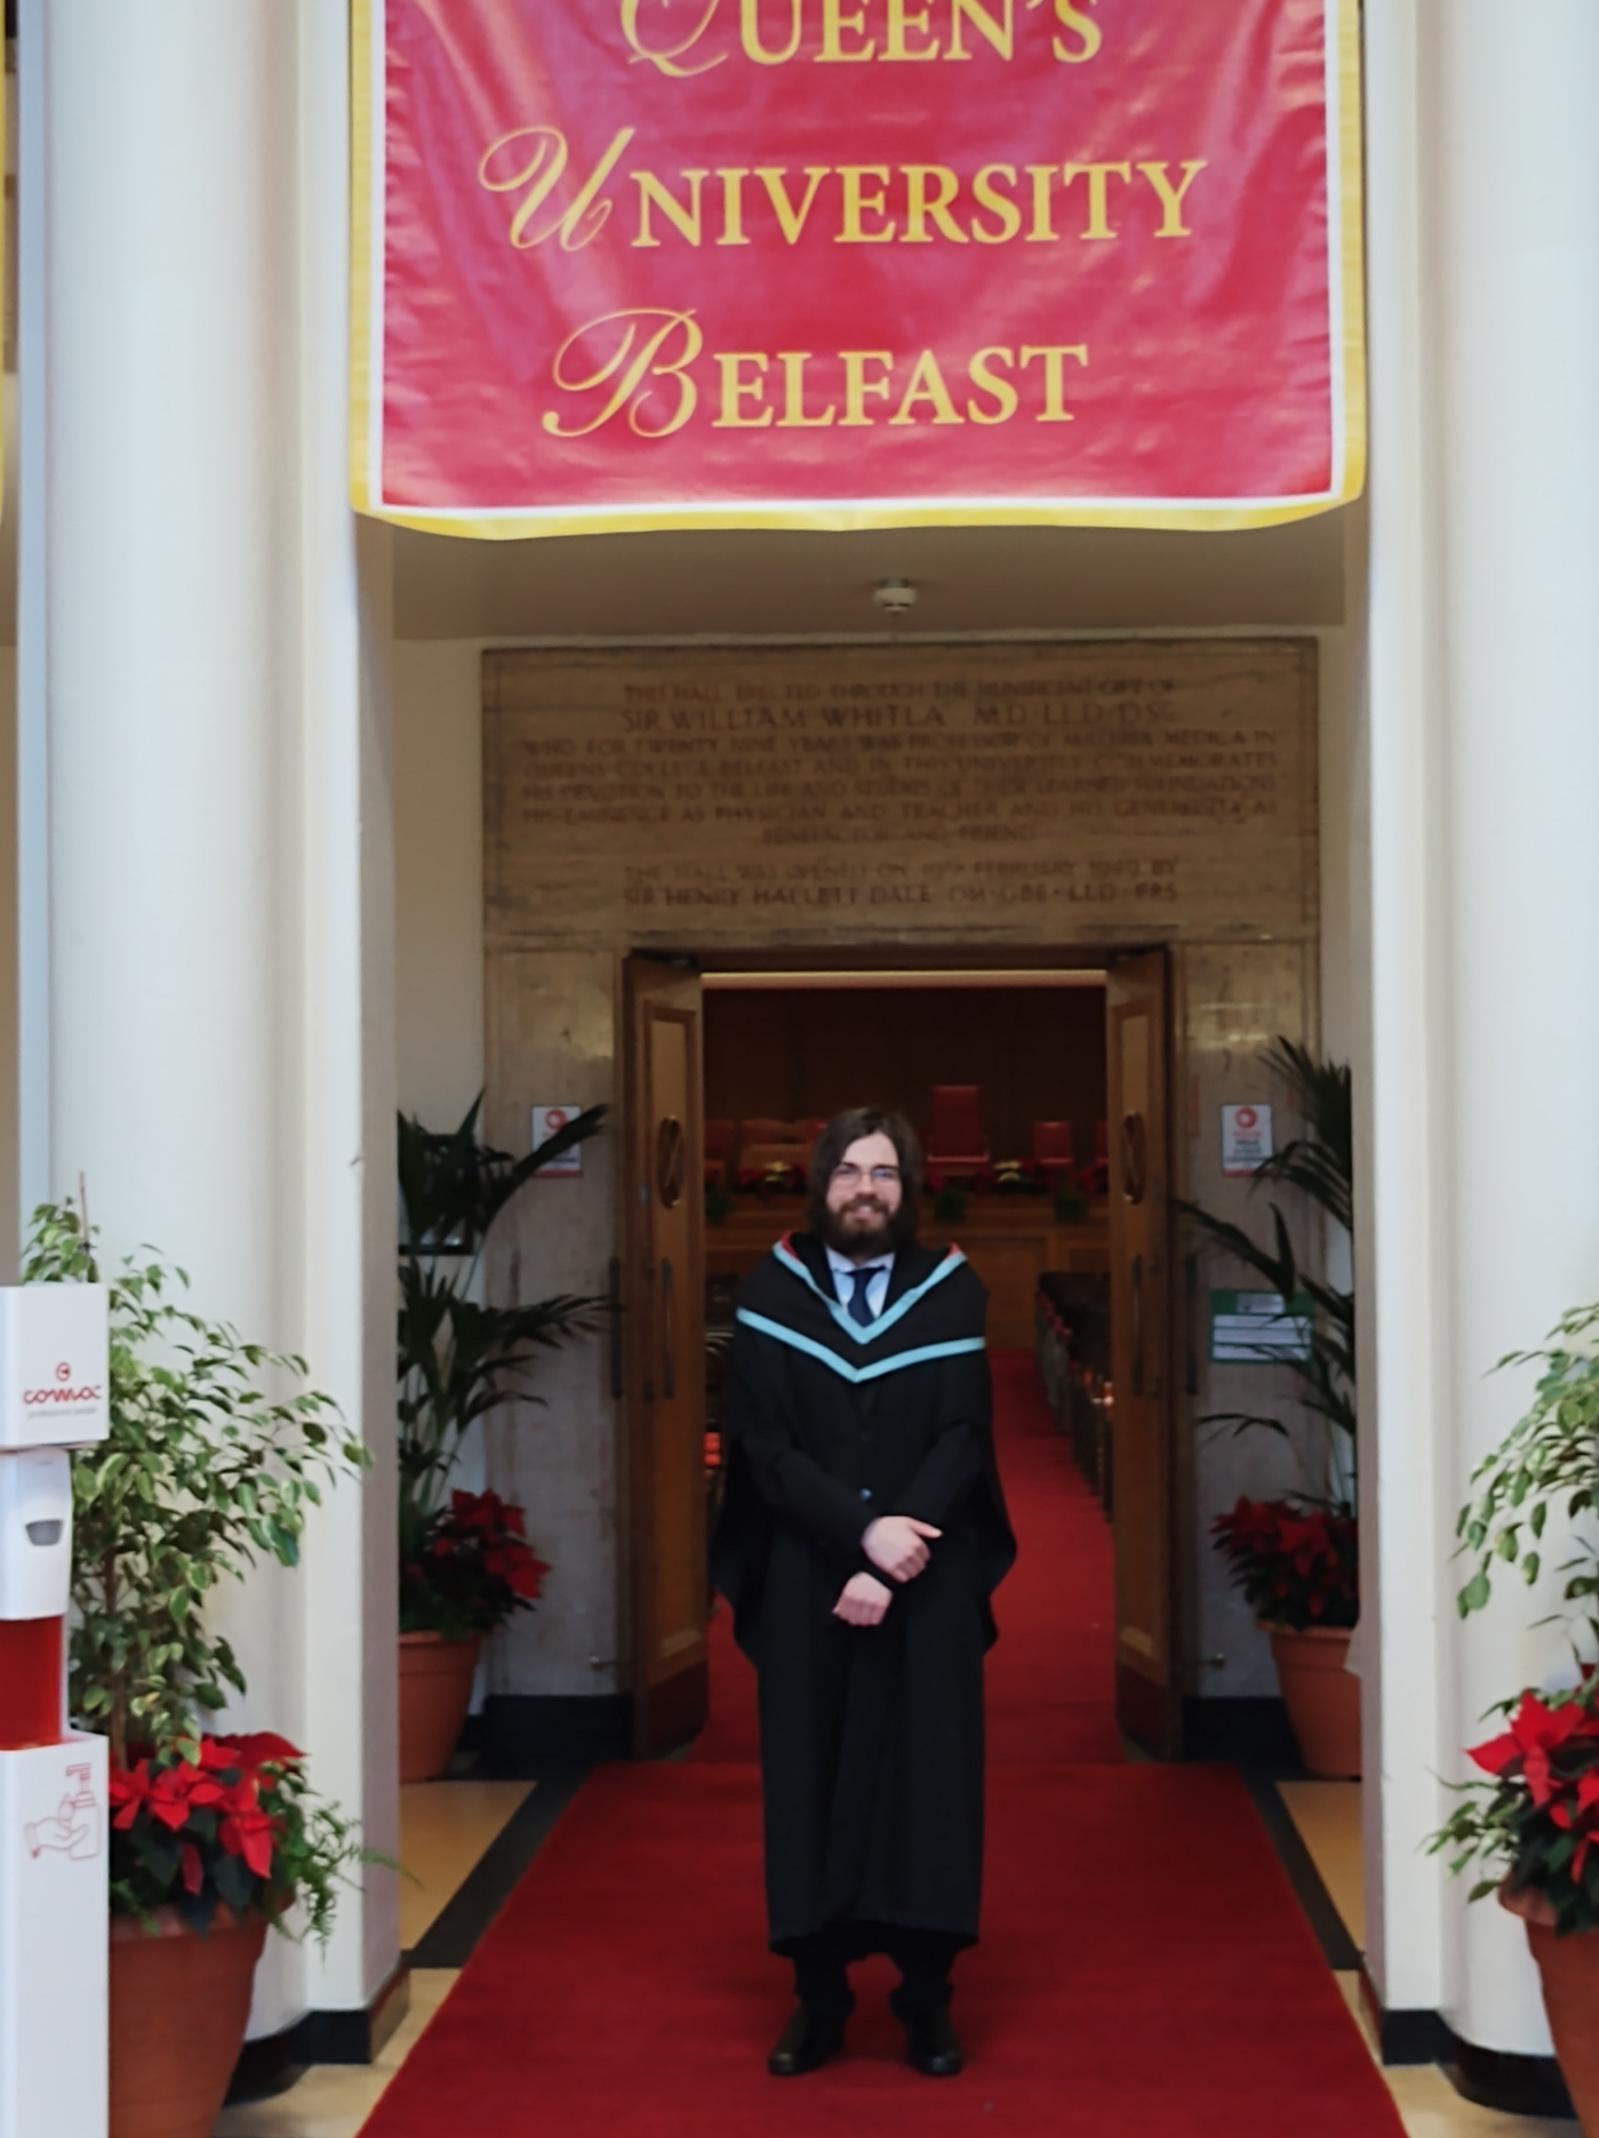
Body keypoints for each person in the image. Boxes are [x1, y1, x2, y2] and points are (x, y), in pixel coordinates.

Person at [710, 1106, 1016, 2079]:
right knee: (813, 1771)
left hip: (923, 1572)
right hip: (810, 1573)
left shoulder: (951, 1291)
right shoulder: (770, 1293)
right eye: (849, 1171)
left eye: (884, 1172)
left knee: (927, 1777)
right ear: (819, 1184)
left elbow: (962, 1438)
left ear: (909, 1189)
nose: (866, 1188)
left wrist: (893, 1549)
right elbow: (763, 1447)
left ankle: (927, 1997)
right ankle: (820, 1996)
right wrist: (857, 1533)